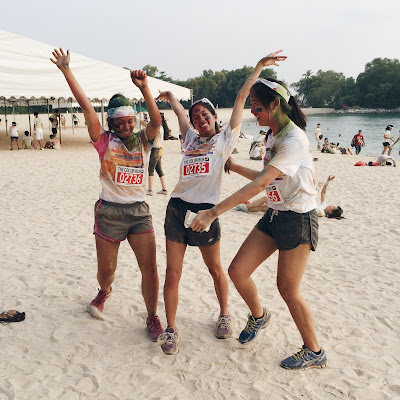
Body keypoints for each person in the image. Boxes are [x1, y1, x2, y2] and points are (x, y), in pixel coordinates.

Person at [191, 51, 327, 370]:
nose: (253, 112)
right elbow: (268, 177)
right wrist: (236, 166)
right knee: (238, 271)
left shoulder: (293, 140)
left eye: (257, 107)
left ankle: (314, 350)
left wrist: (212, 213)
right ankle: (259, 316)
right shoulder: (272, 134)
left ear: (275, 104)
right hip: (275, 215)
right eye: (252, 106)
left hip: (298, 219)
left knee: (287, 288)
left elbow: (262, 183)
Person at [155, 50, 287, 357]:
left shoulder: (226, 139)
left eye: (206, 115)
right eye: (196, 117)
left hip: (206, 212)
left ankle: (224, 314)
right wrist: (171, 98)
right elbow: (180, 115)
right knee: (173, 273)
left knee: (215, 269)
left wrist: (258, 67)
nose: (200, 120)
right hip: (177, 208)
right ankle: (171, 328)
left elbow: (241, 97)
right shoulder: (189, 139)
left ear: (215, 118)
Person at [50, 48, 164, 341]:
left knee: (150, 269)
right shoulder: (104, 141)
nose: (125, 126)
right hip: (109, 212)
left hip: (139, 212)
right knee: (106, 271)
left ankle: (152, 316)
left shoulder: (143, 140)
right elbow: (87, 107)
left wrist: (145, 88)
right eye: (120, 122)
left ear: (134, 121)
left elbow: (156, 121)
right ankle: (104, 290)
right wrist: (66, 70)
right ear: (111, 123)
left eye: (130, 121)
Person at [147, 129, 168, 196]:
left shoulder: (157, 128)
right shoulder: (161, 128)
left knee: (151, 169)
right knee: (159, 169)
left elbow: (155, 140)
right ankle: (164, 189)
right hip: (160, 148)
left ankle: (150, 190)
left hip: (155, 149)